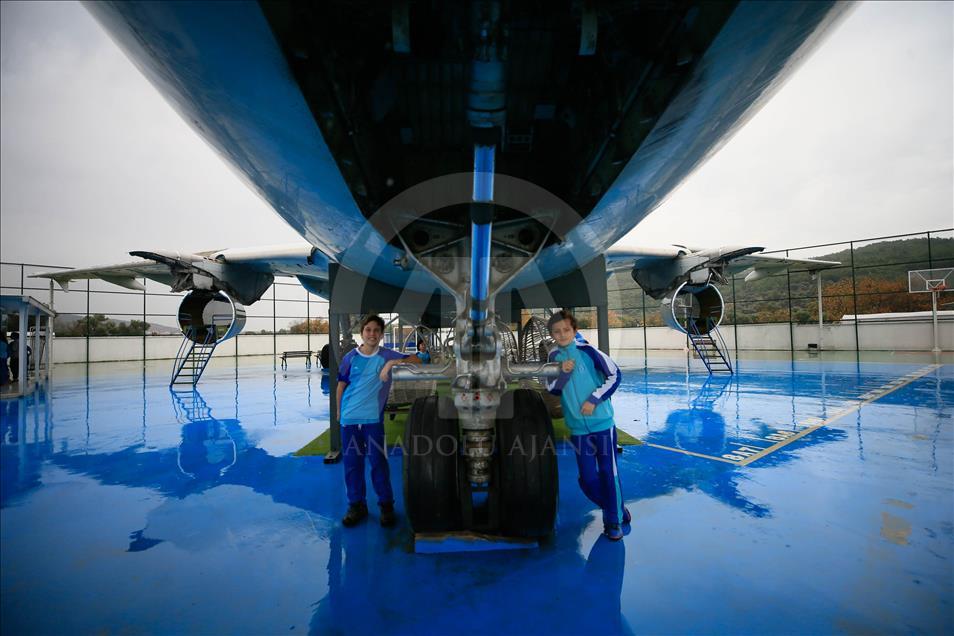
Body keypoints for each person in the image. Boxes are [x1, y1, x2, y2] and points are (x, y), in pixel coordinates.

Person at [546, 310, 630, 541]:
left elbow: (615, 375)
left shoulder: (589, 351)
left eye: (566, 330)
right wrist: (563, 374)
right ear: (552, 335)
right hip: (578, 428)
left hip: (603, 424)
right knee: (587, 479)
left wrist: (594, 399)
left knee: (607, 472)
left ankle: (612, 522)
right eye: (556, 331)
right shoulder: (553, 357)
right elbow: (552, 389)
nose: (562, 334)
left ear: (574, 330)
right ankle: (617, 508)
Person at [336, 314, 422, 527]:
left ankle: (386, 505)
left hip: (372, 421)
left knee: (378, 463)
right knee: (352, 465)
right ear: (362, 333)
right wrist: (339, 412)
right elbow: (340, 386)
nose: (372, 334)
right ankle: (357, 505)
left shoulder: (386, 355)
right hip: (349, 420)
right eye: (368, 330)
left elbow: (418, 359)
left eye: (376, 330)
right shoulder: (350, 358)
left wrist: (392, 362)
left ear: (381, 335)